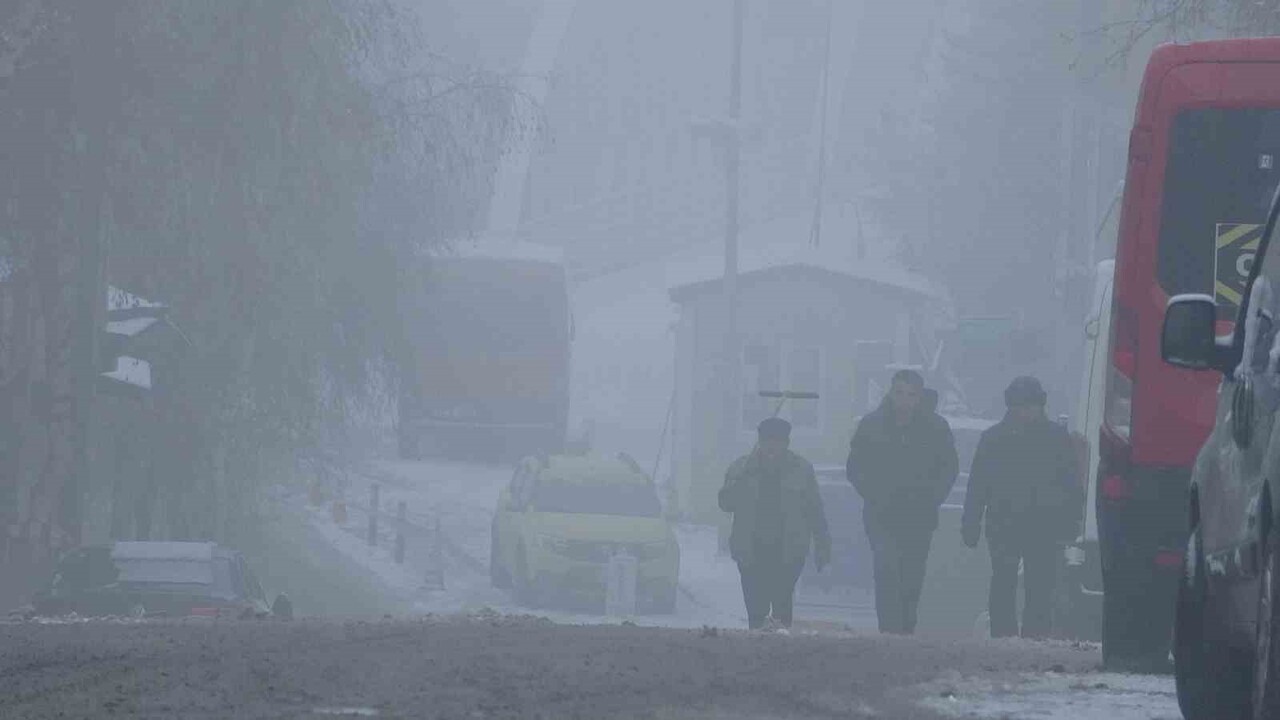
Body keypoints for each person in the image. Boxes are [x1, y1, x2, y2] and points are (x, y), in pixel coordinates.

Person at [961, 376, 1081, 639]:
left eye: (1030, 405)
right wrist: (970, 522)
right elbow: (978, 484)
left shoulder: (1057, 439)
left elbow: (1071, 484)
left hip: (1044, 526)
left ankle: (1034, 637)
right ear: (1010, 407)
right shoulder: (993, 439)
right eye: (1018, 406)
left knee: (1040, 586)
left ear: (1040, 406)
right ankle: (1003, 635)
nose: (1024, 411)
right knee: (1003, 582)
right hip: (1004, 523)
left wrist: (1072, 522)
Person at [847, 369, 958, 635]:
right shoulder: (871, 425)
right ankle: (888, 630)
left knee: (911, 574)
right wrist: (874, 494)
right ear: (891, 392)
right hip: (881, 514)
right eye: (899, 393)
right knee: (886, 569)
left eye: (911, 395)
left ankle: (906, 628)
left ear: (919, 397)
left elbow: (948, 469)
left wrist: (931, 498)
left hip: (919, 515)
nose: (904, 400)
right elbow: (855, 467)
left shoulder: (936, 428)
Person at [719, 417, 832, 630]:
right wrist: (742, 479)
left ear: (786, 443)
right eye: (767, 440)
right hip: (750, 552)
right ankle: (756, 652)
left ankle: (782, 654)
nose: (772, 446)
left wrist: (822, 546)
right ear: (759, 442)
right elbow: (726, 503)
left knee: (781, 609)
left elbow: (815, 511)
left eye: (778, 441)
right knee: (756, 611)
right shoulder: (741, 468)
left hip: (788, 552)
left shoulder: (801, 470)